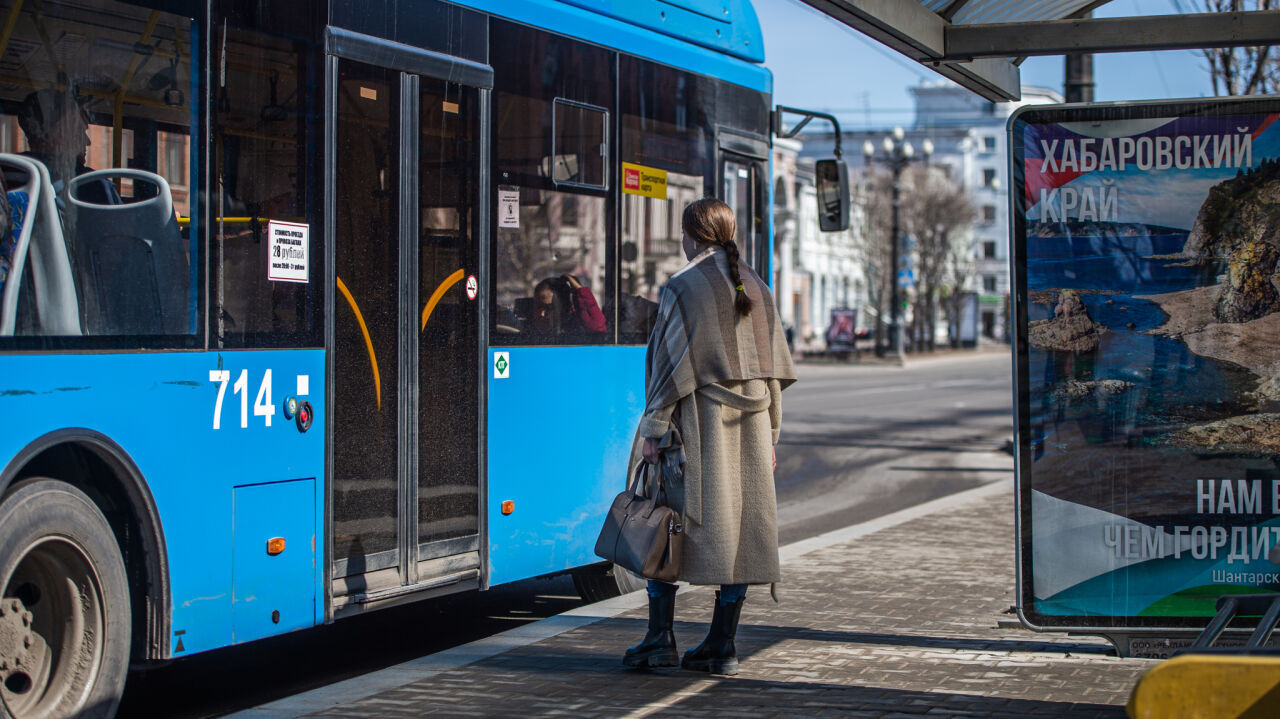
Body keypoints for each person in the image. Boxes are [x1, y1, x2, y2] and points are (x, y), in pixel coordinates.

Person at [622, 197, 796, 675]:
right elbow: (774, 371)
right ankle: (722, 645)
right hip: (753, 429)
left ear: (691, 237)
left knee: (669, 522)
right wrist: (772, 435)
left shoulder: (682, 287)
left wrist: (654, 431)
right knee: (740, 532)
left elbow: (667, 367)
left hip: (698, 427)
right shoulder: (758, 286)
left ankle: (660, 639)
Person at [524, 273, 606, 339]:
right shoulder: (525, 333)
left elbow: (596, 329)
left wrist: (579, 291)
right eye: (538, 307)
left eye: (549, 308)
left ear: (563, 308)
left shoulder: (573, 333)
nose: (542, 314)